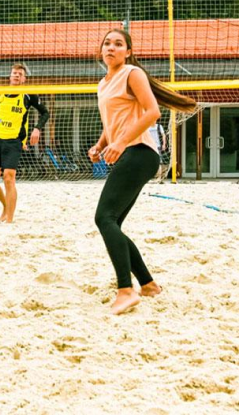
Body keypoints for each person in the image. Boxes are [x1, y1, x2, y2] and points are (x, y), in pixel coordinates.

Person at [88, 29, 196, 315]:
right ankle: (147, 285)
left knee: (104, 217)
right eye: (107, 43)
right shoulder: (104, 83)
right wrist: (101, 143)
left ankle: (126, 290)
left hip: (140, 153)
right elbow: (114, 121)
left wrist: (121, 142)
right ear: (101, 50)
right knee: (112, 224)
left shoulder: (131, 73)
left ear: (128, 51)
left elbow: (152, 112)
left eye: (118, 44)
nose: (111, 47)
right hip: (130, 153)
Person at [0, 63, 49, 223]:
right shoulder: (2, 93)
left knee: (9, 178)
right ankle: (6, 205)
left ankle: (9, 220)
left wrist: (37, 129)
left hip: (13, 141)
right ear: (10, 76)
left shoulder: (28, 95)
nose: (16, 75)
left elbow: (45, 113)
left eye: (20, 74)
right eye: (14, 73)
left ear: (24, 78)